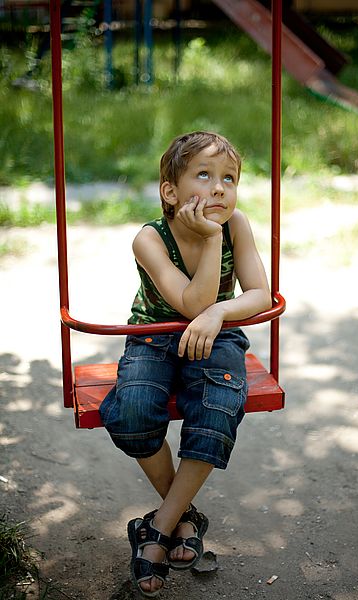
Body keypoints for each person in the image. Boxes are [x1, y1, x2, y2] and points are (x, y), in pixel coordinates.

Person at [99, 131, 272, 597]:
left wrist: (220, 312)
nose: (220, 188)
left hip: (217, 332)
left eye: (229, 179)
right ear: (170, 192)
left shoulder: (238, 224)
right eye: (204, 175)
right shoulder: (149, 239)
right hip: (153, 336)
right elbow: (193, 301)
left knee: (216, 411)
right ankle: (183, 520)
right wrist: (211, 240)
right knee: (133, 413)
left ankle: (157, 527)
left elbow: (259, 292)